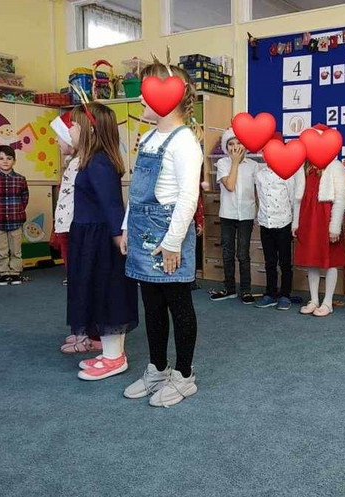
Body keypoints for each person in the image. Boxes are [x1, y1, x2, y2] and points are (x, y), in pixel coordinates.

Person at [120, 60, 203, 408]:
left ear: (169, 98)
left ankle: (184, 375)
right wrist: (126, 225)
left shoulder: (185, 142)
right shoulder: (150, 137)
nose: (141, 97)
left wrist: (172, 243)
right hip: (142, 228)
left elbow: (188, 197)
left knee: (177, 304)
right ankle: (157, 368)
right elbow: (137, 189)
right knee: (151, 304)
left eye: (146, 91)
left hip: (169, 233)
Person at [66, 102, 138, 381]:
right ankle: (111, 353)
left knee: (106, 294)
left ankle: (114, 358)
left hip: (100, 240)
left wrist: (119, 240)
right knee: (99, 293)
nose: (70, 130)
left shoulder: (98, 163)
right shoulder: (93, 160)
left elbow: (111, 205)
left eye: (74, 125)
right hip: (91, 236)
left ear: (89, 130)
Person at [49, 110, 103, 355]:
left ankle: (92, 334)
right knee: (76, 281)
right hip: (68, 230)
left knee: (83, 282)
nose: (57, 140)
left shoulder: (84, 163)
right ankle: (83, 329)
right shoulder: (74, 163)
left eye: (61, 135)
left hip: (78, 231)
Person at [293, 124, 345, 317]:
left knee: (330, 260)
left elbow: (340, 198)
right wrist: (296, 223)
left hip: (326, 218)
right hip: (308, 218)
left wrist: (335, 227)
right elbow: (297, 198)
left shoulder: (335, 166)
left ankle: (328, 302)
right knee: (312, 260)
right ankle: (314, 299)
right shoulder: (303, 167)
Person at [254, 134, 303, 310]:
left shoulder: (287, 174)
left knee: (285, 262)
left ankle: (285, 294)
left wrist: (293, 222)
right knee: (269, 261)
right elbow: (259, 197)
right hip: (265, 222)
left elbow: (292, 198)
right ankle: (270, 293)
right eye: (265, 151)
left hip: (283, 222)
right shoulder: (260, 174)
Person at [210, 128, 257, 304]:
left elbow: (257, 191)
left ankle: (246, 290)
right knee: (227, 252)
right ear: (226, 146)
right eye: (231, 144)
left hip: (246, 214)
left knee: (243, 254)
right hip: (228, 214)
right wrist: (235, 163)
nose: (235, 147)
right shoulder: (222, 163)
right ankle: (229, 288)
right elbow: (230, 185)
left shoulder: (253, 165)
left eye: (238, 143)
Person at [0, 146, 28, 286]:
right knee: (0, 249)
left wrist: (17, 210)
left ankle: (15, 272)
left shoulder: (20, 179)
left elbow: (24, 198)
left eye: (9, 158)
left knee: (16, 249)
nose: (5, 161)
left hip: (16, 219)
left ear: (14, 161)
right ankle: (4, 273)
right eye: (1, 158)